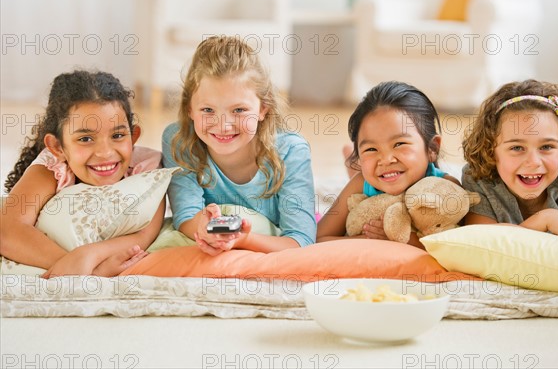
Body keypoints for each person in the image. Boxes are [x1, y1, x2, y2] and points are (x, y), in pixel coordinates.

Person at [162, 36, 316, 255]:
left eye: (239, 110)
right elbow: (186, 217)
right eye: (208, 110)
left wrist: (242, 240)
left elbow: (302, 241)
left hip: (269, 240)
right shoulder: (178, 140)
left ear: (263, 108)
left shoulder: (291, 151)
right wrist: (203, 228)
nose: (223, 126)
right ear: (189, 110)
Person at [1, 70, 164, 277]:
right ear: (58, 147)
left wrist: (88, 255)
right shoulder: (52, 168)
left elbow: (144, 234)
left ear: (133, 137)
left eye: (118, 135)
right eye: (85, 139)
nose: (105, 153)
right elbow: (8, 231)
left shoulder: (148, 170)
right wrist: (86, 268)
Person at [317, 81, 461, 245]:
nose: (386, 160)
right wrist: (369, 239)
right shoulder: (360, 183)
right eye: (371, 149)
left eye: (399, 144)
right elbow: (319, 238)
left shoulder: (446, 187)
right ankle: (352, 159)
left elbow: (458, 244)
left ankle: (353, 158)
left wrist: (402, 239)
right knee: (360, 175)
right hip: (368, 175)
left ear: (432, 149)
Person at [462, 79, 558, 240]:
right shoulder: (478, 175)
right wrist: (545, 219)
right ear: (490, 150)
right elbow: (480, 241)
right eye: (517, 148)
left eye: (546, 147)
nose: (534, 162)